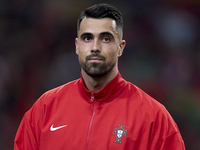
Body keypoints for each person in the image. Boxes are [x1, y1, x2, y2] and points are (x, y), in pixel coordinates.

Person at [14, 3, 185, 150]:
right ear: (77, 46)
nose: (95, 47)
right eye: (87, 38)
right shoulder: (44, 110)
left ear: (120, 47)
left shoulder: (153, 117)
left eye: (105, 39)